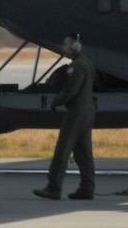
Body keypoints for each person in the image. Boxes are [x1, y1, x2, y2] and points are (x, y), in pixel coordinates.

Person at [35, 33, 97, 201]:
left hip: (76, 112)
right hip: (87, 111)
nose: (64, 47)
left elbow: (71, 91)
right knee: (83, 153)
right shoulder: (87, 63)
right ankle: (87, 188)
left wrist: (56, 101)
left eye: (66, 44)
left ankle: (53, 188)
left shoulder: (76, 67)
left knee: (62, 150)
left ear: (76, 46)